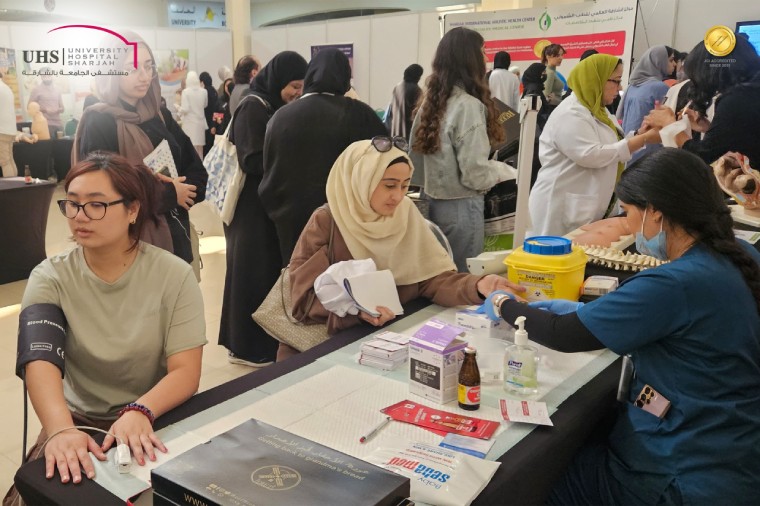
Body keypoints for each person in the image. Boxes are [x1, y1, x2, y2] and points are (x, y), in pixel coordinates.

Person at [485, 148, 760, 505]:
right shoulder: (741, 254)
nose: (628, 226)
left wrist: (503, 303)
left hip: (680, 472)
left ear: (656, 211)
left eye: (628, 213)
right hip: (733, 453)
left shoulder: (675, 283)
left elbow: (562, 334)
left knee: (535, 479)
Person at [4, 152, 205, 504]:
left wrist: (140, 410)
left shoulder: (173, 275)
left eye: (96, 205)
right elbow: (40, 362)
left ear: (132, 210)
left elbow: (186, 371)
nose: (80, 217)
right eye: (72, 204)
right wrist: (61, 429)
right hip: (77, 417)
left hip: (154, 410)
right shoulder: (50, 276)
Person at [285, 138, 525, 361]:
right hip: (328, 345)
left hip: (393, 340)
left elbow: (431, 280)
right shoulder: (328, 221)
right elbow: (303, 300)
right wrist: (355, 312)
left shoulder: (405, 214)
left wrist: (478, 285)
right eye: (389, 185)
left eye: (404, 185)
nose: (398, 196)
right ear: (360, 180)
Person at [73, 32, 208, 265]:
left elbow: (196, 170)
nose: (144, 76)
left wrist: (183, 191)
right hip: (127, 250)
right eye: (133, 69)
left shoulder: (159, 115)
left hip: (175, 238)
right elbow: (103, 193)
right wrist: (169, 194)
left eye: (148, 67)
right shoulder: (99, 122)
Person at [219, 51, 308, 368]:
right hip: (249, 210)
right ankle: (246, 347)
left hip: (265, 205)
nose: (297, 92)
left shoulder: (272, 105)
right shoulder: (253, 107)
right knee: (249, 275)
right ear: (278, 80)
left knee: (262, 273)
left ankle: (261, 343)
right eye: (293, 85)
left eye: (302, 86)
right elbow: (251, 159)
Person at [260, 48, 387, 266]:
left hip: (290, 220)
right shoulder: (358, 113)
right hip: (340, 221)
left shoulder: (281, 116)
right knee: (339, 287)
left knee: (298, 281)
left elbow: (269, 169)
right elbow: (384, 159)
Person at [409, 27, 515, 272]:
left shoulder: (429, 102)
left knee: (440, 277)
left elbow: (416, 162)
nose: (486, 58)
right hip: (462, 207)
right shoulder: (468, 106)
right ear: (469, 58)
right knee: (465, 282)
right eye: (482, 52)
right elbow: (474, 174)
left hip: (430, 204)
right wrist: (504, 173)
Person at [528, 54, 658, 237]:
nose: (620, 88)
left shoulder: (598, 110)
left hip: (586, 203)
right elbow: (591, 155)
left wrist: (639, 134)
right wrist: (643, 140)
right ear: (596, 80)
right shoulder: (571, 113)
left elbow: (611, 143)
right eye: (616, 81)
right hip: (560, 206)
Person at [644, 35, 760, 165]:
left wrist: (671, 125)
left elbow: (702, 155)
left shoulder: (735, 100)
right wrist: (710, 128)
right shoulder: (750, 92)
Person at [616, 45, 676, 163]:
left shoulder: (632, 86)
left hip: (629, 146)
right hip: (648, 150)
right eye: (670, 60)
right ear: (659, 61)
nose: (674, 64)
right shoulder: (660, 88)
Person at [384, 63, 424, 139]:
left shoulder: (397, 87)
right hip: (408, 131)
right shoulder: (417, 90)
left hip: (394, 129)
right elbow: (418, 113)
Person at [178, 71, 208, 159]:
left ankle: (195, 170)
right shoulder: (204, 91)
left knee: (191, 149)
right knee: (200, 150)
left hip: (190, 124)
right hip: (200, 124)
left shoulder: (186, 92)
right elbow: (205, 105)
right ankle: (202, 169)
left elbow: (185, 109)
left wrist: (178, 108)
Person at [28, 69, 64, 139]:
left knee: (62, 147)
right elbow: (30, 108)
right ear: (41, 76)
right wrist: (45, 110)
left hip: (58, 124)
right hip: (44, 124)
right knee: (48, 148)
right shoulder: (36, 90)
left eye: (49, 75)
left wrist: (56, 110)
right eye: (44, 75)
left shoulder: (57, 89)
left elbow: (62, 108)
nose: (47, 77)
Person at [0, 71, 18, 177]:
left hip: (1, 130)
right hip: (8, 129)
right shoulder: (5, 87)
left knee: (5, 162)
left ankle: (12, 188)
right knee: (9, 160)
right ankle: (14, 186)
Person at [541, 44, 566, 110]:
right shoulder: (550, 73)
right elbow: (546, 98)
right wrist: (561, 102)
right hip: (552, 110)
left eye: (562, 55)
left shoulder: (552, 72)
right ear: (548, 56)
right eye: (557, 55)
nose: (561, 58)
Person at [199, 71, 218, 156]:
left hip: (207, 120)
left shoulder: (204, 92)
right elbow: (217, 108)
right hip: (215, 119)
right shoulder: (214, 90)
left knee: (207, 146)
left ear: (202, 82)